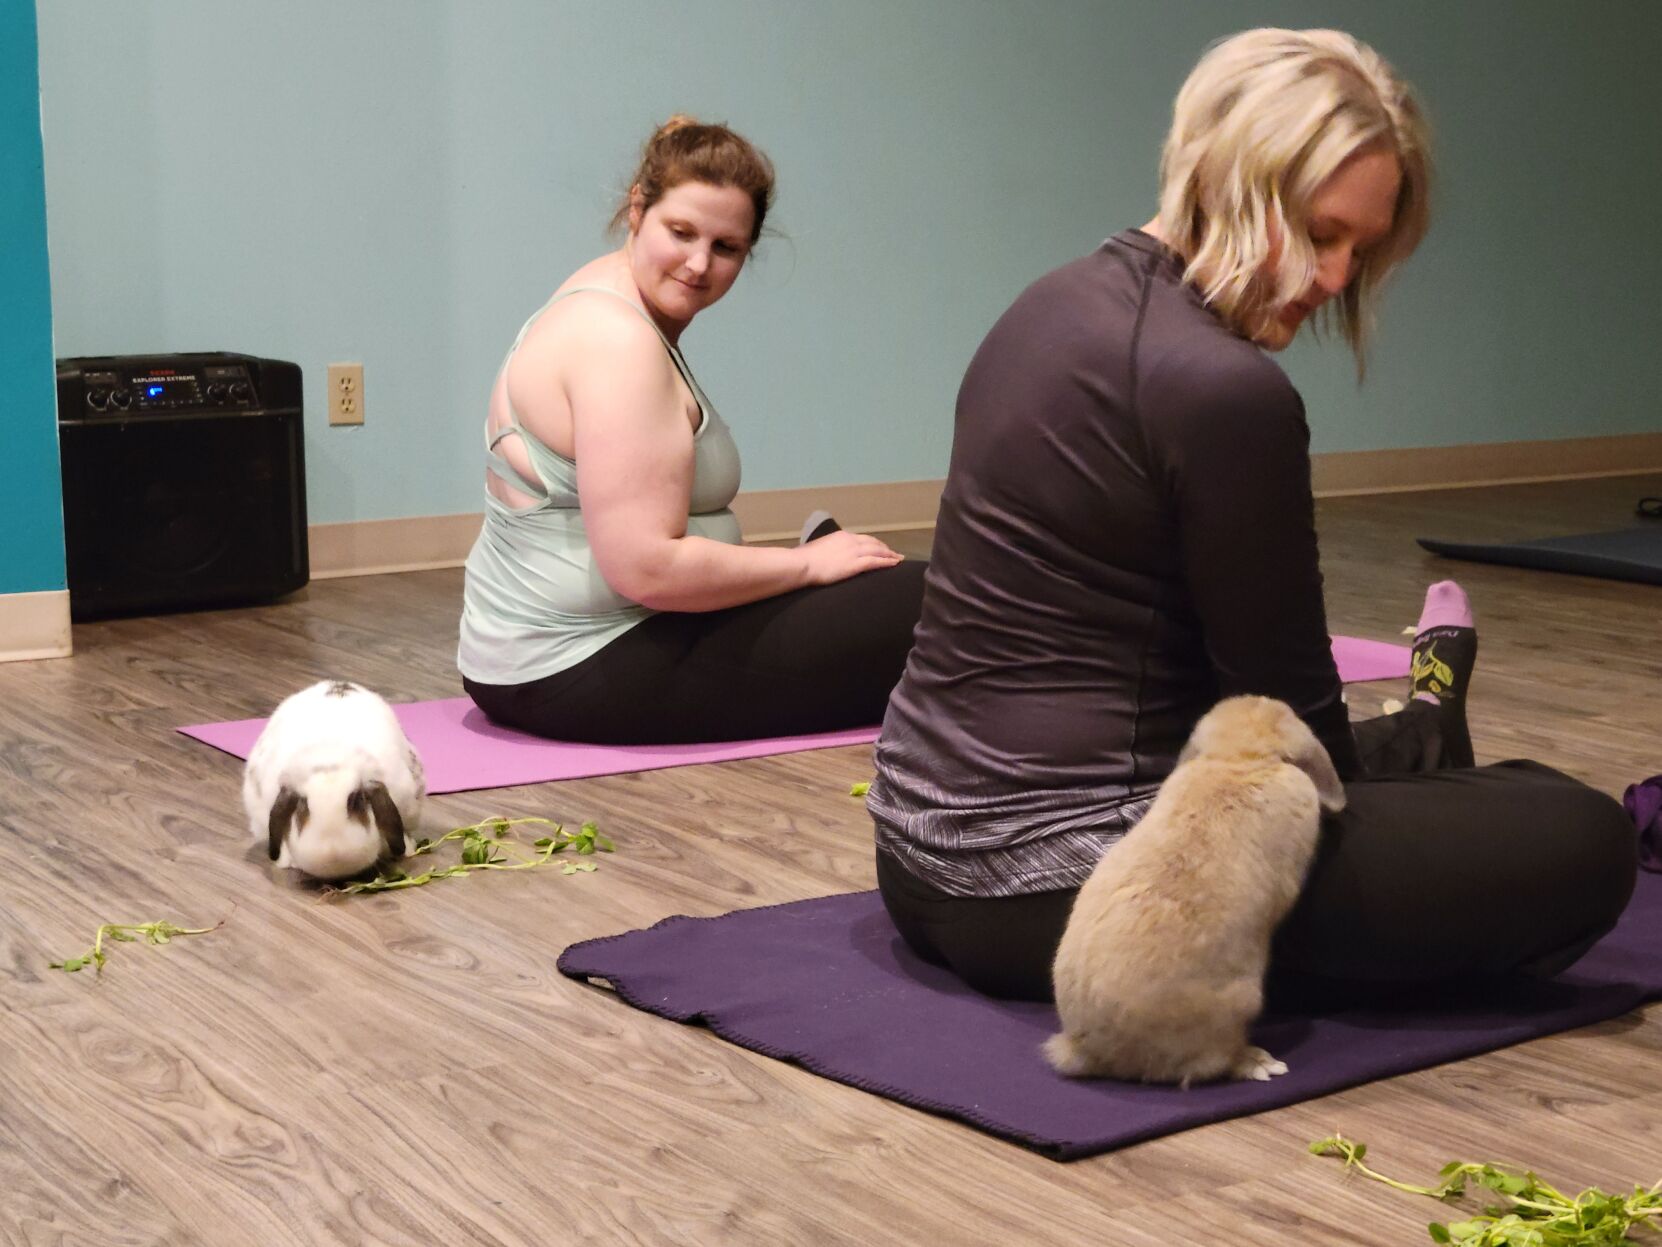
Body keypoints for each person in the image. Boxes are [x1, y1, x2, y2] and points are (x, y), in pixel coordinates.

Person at [869, 28, 1638, 1002]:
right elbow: (1297, 738)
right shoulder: (1226, 391)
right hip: (1088, 893)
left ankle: (1427, 727)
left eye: (1363, 248)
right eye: (1322, 234)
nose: (1336, 279)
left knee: (1411, 766)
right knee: (1576, 830)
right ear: (1234, 180)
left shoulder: (1045, 304)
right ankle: (1432, 731)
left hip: (914, 863)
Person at [459, 117, 926, 744]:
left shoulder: (605, 288)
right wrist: (805, 568)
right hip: (578, 667)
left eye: (726, 247)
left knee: (905, 594)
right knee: (941, 608)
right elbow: (647, 570)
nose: (699, 263)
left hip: (556, 655)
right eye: (680, 233)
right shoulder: (616, 341)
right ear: (637, 209)